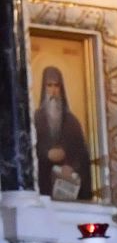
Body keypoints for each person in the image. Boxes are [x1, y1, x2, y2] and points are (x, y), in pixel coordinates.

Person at [33, 65, 92, 202]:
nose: (53, 91)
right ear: (44, 87)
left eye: (56, 86)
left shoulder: (72, 121)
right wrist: (46, 154)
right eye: (49, 85)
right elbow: (28, 152)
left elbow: (82, 154)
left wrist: (72, 166)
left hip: (67, 187)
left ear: (61, 88)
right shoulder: (35, 119)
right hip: (42, 188)